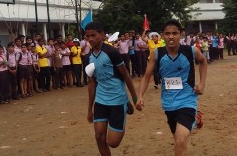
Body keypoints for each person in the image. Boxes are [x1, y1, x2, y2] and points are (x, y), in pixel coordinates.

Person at [136, 19, 207, 156]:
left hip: (187, 100)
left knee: (180, 140)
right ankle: (195, 119)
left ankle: (193, 116)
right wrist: (140, 96)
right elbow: (146, 77)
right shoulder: (156, 53)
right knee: (178, 139)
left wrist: (202, 84)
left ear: (181, 34)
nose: (171, 36)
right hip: (169, 103)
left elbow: (203, 62)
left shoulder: (190, 51)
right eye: (167, 33)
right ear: (162, 35)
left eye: (175, 33)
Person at [85, 22, 137, 156]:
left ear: (101, 35)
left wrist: (135, 98)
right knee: (99, 136)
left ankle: (125, 105)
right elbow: (92, 83)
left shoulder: (111, 52)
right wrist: (89, 109)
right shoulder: (89, 56)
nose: (90, 39)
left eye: (93, 35)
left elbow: (125, 75)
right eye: (87, 36)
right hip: (101, 100)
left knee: (113, 142)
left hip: (117, 99)